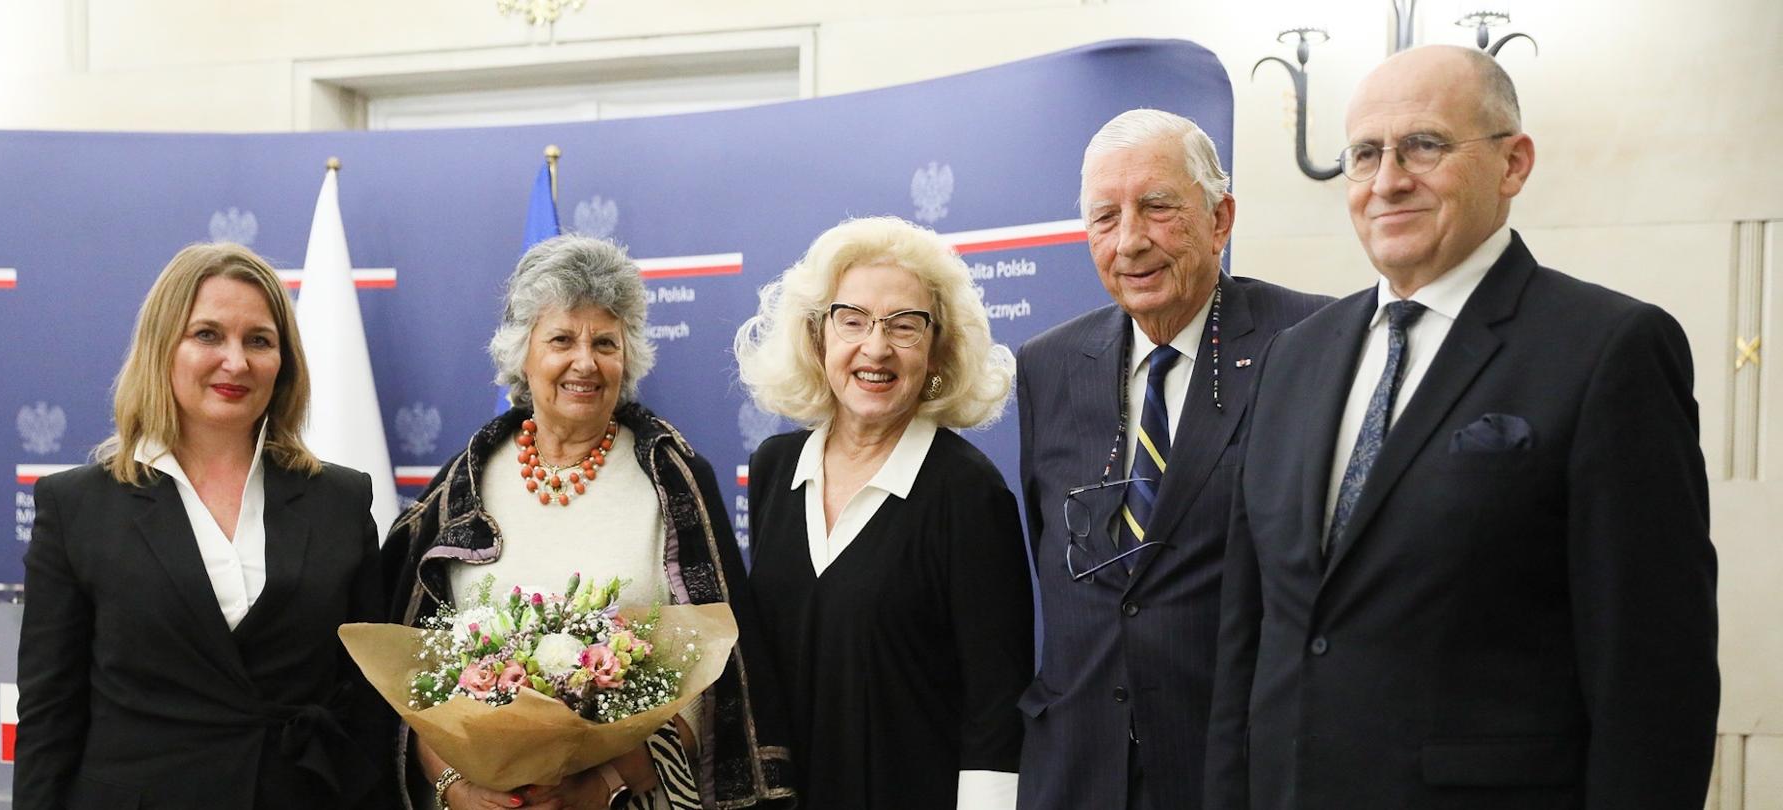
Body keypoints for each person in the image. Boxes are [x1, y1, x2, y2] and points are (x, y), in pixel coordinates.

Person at [1205, 45, 1718, 810]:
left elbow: (1652, 680)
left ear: (1513, 165)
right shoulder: (1293, 357)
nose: (1388, 181)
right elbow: (1250, 635)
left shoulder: (1609, 350)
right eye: (1365, 154)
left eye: (1425, 145)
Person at [383, 234, 796, 810]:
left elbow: (718, 679)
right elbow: (411, 670)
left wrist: (600, 785)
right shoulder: (461, 487)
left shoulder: (672, 479)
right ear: (522, 354)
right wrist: (459, 787)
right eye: (561, 339)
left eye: (605, 341)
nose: (585, 361)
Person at [1012, 110, 1330, 810]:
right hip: (1077, 768)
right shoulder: (1047, 364)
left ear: (1221, 219)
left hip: (1235, 765)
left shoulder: (1312, 341)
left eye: (1157, 208)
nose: (1130, 241)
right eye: (1105, 217)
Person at [14, 243, 395, 810]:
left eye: (259, 340)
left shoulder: (339, 500)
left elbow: (370, 700)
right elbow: (49, 717)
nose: (236, 362)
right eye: (208, 335)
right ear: (162, 348)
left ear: (284, 361)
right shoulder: (76, 507)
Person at [734, 215, 1033, 809]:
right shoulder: (774, 468)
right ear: (818, 337)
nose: (876, 347)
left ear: (938, 347)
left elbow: (997, 707)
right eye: (854, 321)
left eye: (904, 325)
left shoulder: (968, 492)